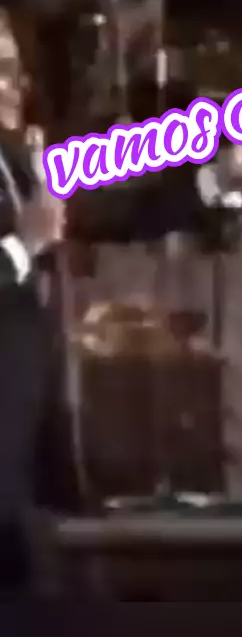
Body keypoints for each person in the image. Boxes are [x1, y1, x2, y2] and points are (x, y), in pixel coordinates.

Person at [0, 117, 64, 593]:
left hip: (22, 462)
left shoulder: (15, 155)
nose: (10, 85)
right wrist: (21, 249)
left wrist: (216, 176)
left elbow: (111, 207)